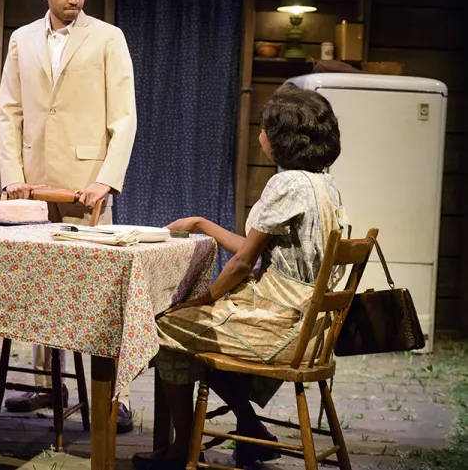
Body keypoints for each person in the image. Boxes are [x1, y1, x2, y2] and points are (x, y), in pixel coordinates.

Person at [133, 84, 349, 470]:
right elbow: (255, 247)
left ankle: (184, 446)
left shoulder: (285, 184)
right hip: (312, 326)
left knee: (165, 328)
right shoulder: (324, 185)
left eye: (265, 129)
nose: (260, 136)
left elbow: (243, 264)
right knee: (196, 332)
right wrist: (202, 224)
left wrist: (205, 299)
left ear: (280, 139)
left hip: (283, 325)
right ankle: (252, 431)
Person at [0, 0, 138, 431]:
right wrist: (12, 174)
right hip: (33, 183)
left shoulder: (107, 38)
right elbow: (10, 112)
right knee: (40, 286)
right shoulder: (21, 39)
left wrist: (107, 177)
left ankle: (111, 394)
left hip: (86, 184)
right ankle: (46, 383)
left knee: (95, 291)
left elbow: (124, 114)